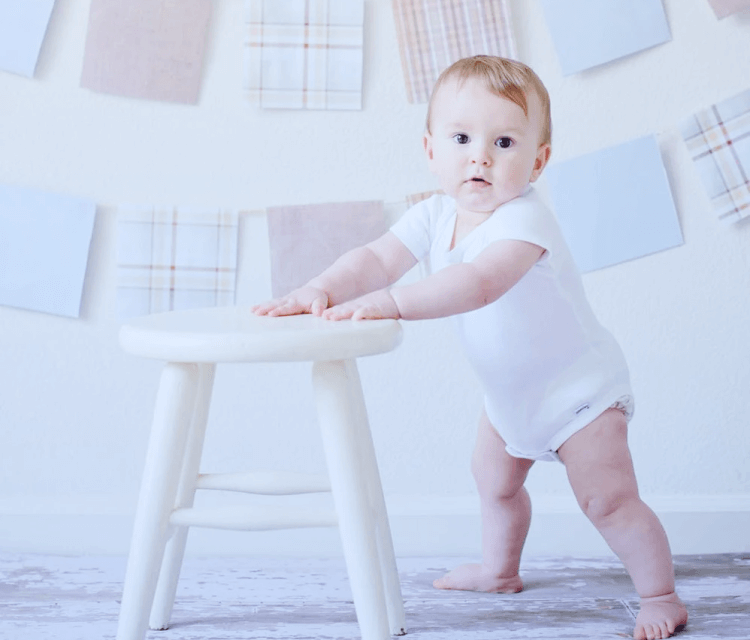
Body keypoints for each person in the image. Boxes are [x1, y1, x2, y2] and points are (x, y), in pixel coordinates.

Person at [252, 55, 688, 640]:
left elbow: (479, 284)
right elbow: (376, 259)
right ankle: (500, 570)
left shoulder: (525, 222)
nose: (480, 155)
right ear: (431, 150)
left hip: (580, 395)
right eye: (461, 138)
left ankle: (660, 594)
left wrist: (394, 302)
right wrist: (320, 288)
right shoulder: (433, 215)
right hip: (509, 397)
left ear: (538, 161)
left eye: (504, 141)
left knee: (608, 501)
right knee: (495, 483)